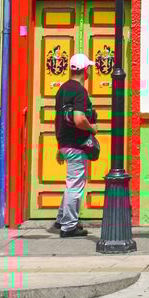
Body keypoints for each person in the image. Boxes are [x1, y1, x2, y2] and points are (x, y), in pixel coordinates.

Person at [53, 53, 98, 237]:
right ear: (85, 70)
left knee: (72, 183)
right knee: (76, 185)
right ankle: (69, 226)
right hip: (76, 144)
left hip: (64, 142)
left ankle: (61, 218)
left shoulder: (62, 89)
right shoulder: (80, 91)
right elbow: (79, 119)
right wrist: (92, 128)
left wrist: (59, 146)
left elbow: (58, 120)